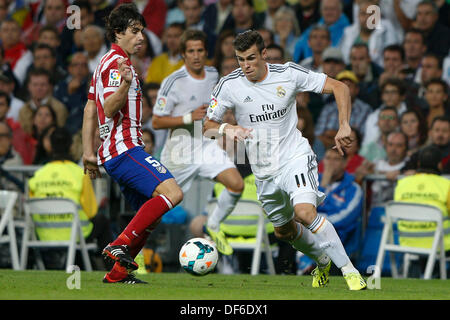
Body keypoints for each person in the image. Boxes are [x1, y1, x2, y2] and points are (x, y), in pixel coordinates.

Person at [204, 30, 366, 290]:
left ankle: (349, 272)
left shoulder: (288, 74)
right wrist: (226, 129)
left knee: (304, 212)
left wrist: (344, 124)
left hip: (294, 157)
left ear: (264, 54)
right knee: (284, 232)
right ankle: (322, 260)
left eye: (251, 58)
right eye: (240, 59)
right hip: (264, 171)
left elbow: (339, 86)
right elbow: (207, 126)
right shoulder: (229, 85)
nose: (246, 65)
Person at [82, 3, 183, 284]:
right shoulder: (117, 64)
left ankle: (118, 274)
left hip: (117, 151)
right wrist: (125, 84)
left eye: (142, 31)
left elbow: (91, 109)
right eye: (135, 31)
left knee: (152, 215)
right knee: (173, 193)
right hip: (123, 150)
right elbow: (110, 107)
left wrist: (88, 152)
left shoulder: (104, 62)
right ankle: (119, 244)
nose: (141, 37)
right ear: (118, 33)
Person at [152, 29, 244, 256]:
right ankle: (136, 251)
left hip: (206, 145)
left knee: (236, 184)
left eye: (200, 50)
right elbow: (155, 121)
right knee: (157, 207)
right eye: (190, 51)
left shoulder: (214, 75)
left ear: (206, 53)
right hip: (179, 151)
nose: (195, 55)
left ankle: (212, 225)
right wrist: (187, 117)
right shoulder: (173, 81)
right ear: (183, 54)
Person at [28, 127, 113, 270]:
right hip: (75, 235)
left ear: (50, 146)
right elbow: (91, 212)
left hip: (44, 234)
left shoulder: (38, 175)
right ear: (71, 146)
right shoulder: (79, 174)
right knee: (102, 221)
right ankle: (113, 270)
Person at [394, 144, 450, 277]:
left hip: (408, 241)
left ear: (418, 163)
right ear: (440, 165)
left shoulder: (402, 183)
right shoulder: (447, 185)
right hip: (440, 245)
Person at [317, 147, 364, 259]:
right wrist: (322, 187)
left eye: (336, 159)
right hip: (312, 233)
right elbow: (305, 208)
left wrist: (317, 223)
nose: (330, 163)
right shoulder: (313, 182)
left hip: (339, 241)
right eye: (328, 158)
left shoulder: (353, 188)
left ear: (344, 163)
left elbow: (346, 218)